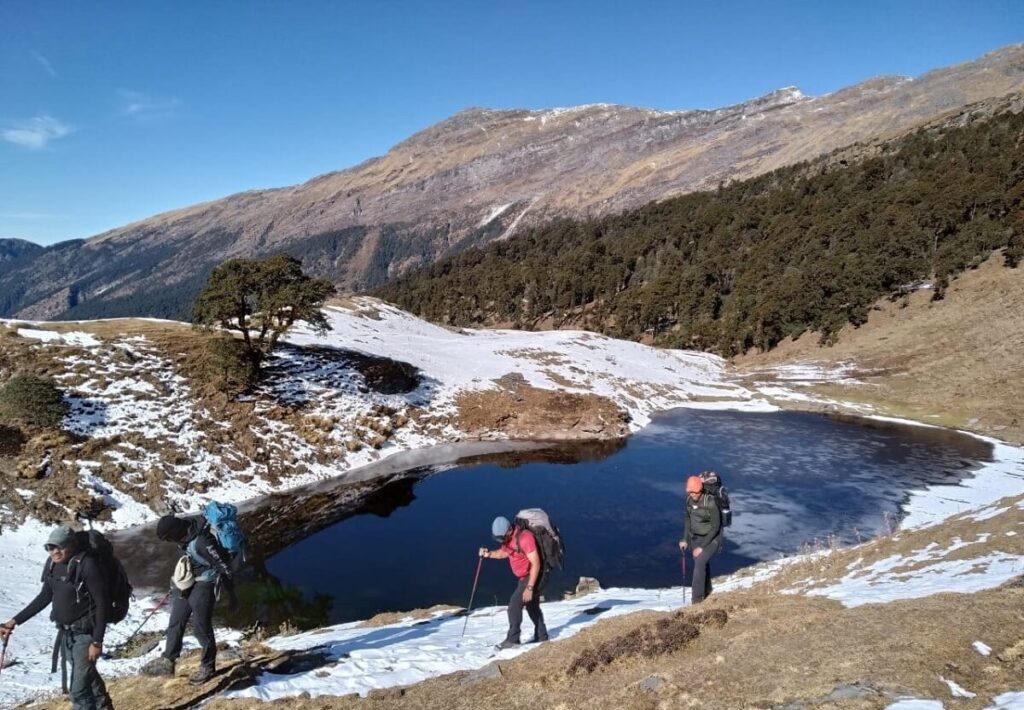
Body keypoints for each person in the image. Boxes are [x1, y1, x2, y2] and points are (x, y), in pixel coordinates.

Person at [0, 525, 113, 710]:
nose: (54, 552)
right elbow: (44, 597)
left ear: (72, 545)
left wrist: (97, 642)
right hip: (66, 634)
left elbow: (102, 604)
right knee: (89, 679)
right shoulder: (52, 564)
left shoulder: (87, 565)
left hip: (86, 635)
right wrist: (14, 622)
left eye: (60, 546)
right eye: (50, 547)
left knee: (78, 691)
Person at [141, 514, 235, 684]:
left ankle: (208, 667)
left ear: (174, 531)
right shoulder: (183, 536)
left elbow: (223, 565)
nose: (169, 541)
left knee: (201, 626)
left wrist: (231, 593)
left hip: (205, 582)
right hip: (190, 580)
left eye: (168, 538)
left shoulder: (201, 542)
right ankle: (168, 660)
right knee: (176, 620)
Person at [479, 515, 549, 650]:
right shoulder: (509, 539)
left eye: (502, 538)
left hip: (533, 576)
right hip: (525, 578)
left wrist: (530, 587)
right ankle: (542, 635)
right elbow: (504, 552)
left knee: (514, 606)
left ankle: (513, 640)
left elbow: (536, 563)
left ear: (509, 530)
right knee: (532, 606)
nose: (501, 541)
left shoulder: (525, 538)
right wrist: (489, 554)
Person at [678, 474, 722, 603]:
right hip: (695, 538)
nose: (692, 495)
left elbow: (715, 527)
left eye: (694, 492)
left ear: (700, 490)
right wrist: (685, 539)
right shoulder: (689, 501)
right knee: (702, 563)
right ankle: (707, 590)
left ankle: (696, 601)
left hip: (713, 539)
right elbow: (688, 519)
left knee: (700, 562)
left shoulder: (710, 503)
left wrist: (702, 547)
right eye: (690, 492)